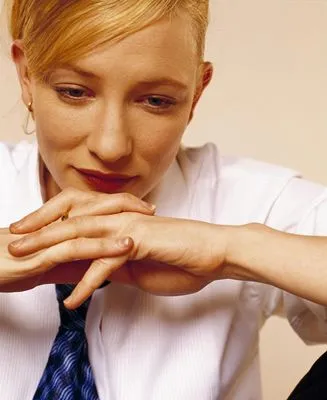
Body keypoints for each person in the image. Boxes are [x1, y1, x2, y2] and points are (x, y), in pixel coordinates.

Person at [1, 0, 327, 399]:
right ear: (26, 75)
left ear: (196, 93)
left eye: (156, 101)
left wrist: (230, 249)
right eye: (74, 92)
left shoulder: (247, 197)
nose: (111, 146)